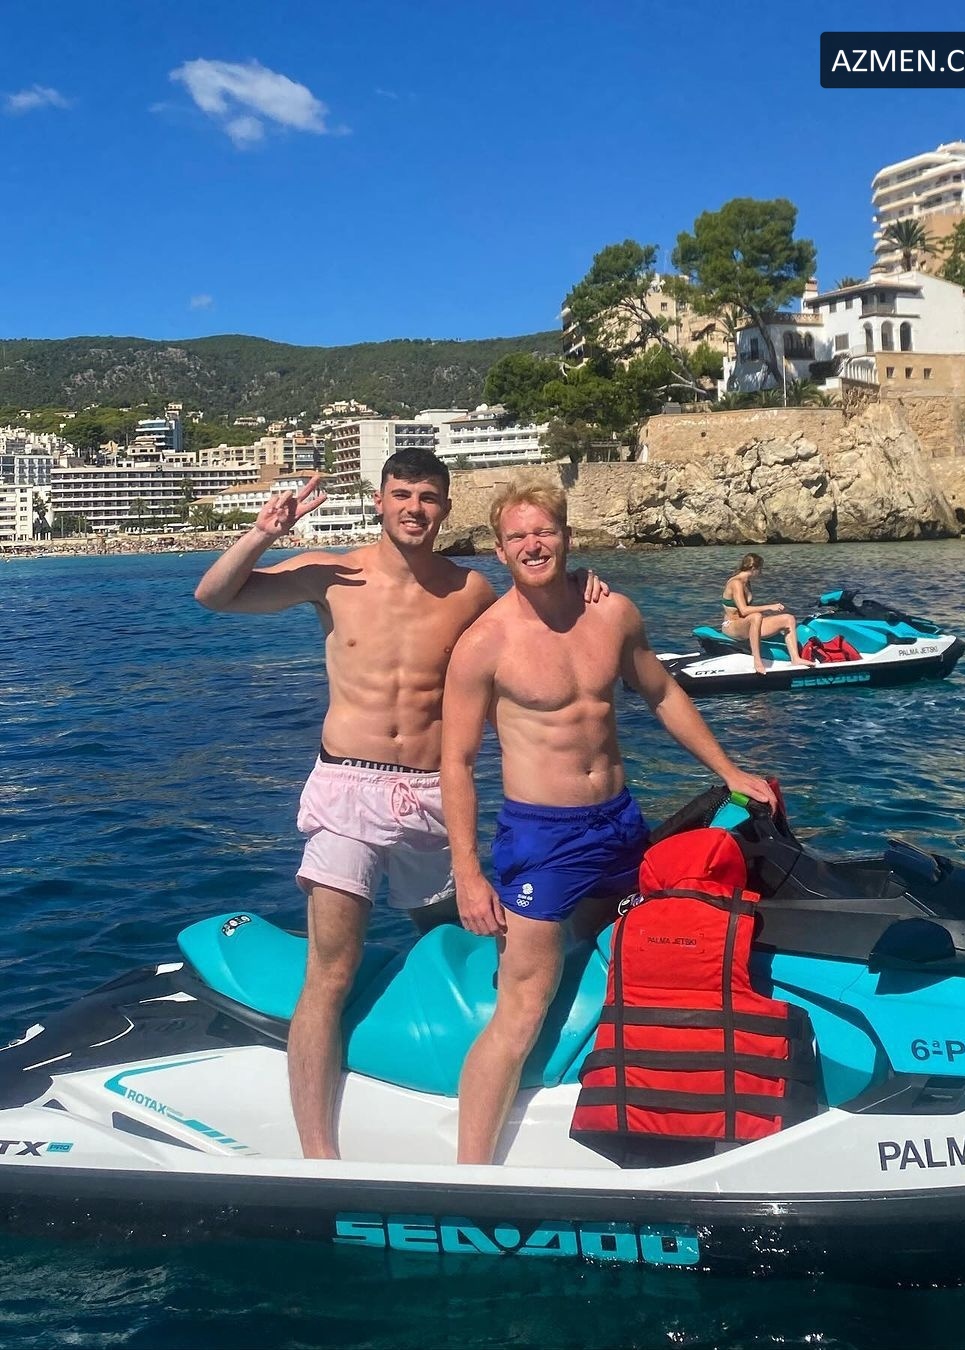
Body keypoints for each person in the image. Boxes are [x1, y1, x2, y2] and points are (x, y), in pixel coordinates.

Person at [193, 450, 605, 1161]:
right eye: (403, 494)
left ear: (445, 508)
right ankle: (319, 1155)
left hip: (432, 796)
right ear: (380, 500)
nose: (415, 508)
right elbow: (216, 596)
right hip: (348, 789)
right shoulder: (332, 573)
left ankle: (461, 1090)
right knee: (332, 970)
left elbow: (538, 610)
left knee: (469, 946)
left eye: (429, 497)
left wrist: (581, 581)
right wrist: (263, 533)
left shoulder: (469, 589)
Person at [440, 472, 777, 1167]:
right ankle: (471, 1173)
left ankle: (623, 1107)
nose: (533, 545)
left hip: (619, 823)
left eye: (544, 531)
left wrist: (729, 771)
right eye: (517, 537)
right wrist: (467, 873)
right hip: (543, 838)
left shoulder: (613, 612)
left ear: (567, 537)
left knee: (628, 965)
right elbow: (457, 761)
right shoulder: (485, 643)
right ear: (499, 551)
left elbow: (662, 693)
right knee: (522, 1007)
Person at [720, 552, 810, 676]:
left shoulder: (747, 582)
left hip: (746, 624)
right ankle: (757, 660)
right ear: (753, 568)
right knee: (756, 616)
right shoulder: (736, 582)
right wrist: (770, 607)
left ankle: (796, 658)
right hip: (732, 625)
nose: (760, 573)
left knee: (788, 619)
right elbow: (744, 610)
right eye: (760, 569)